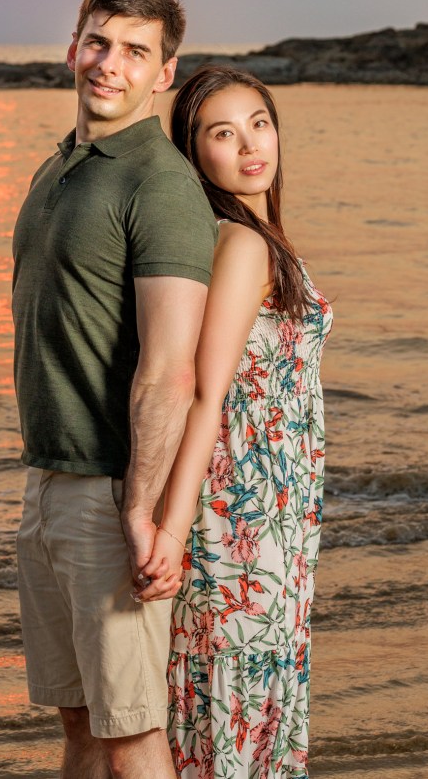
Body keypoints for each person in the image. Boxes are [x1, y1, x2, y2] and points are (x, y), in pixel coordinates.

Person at [11, 0, 218, 779]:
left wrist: (140, 509)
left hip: (109, 494)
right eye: (98, 41)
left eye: (135, 51)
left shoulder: (158, 184)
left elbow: (169, 370)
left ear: (163, 74)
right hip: (48, 478)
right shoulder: (62, 164)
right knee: (79, 720)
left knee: (130, 729)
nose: (109, 63)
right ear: (73, 47)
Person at [138, 66, 332, 779]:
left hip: (274, 512)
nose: (251, 145)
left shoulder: (255, 236)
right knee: (237, 698)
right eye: (223, 133)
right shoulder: (242, 245)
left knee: (248, 693)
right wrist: (170, 530)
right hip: (241, 516)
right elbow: (204, 394)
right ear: (194, 154)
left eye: (259, 123)